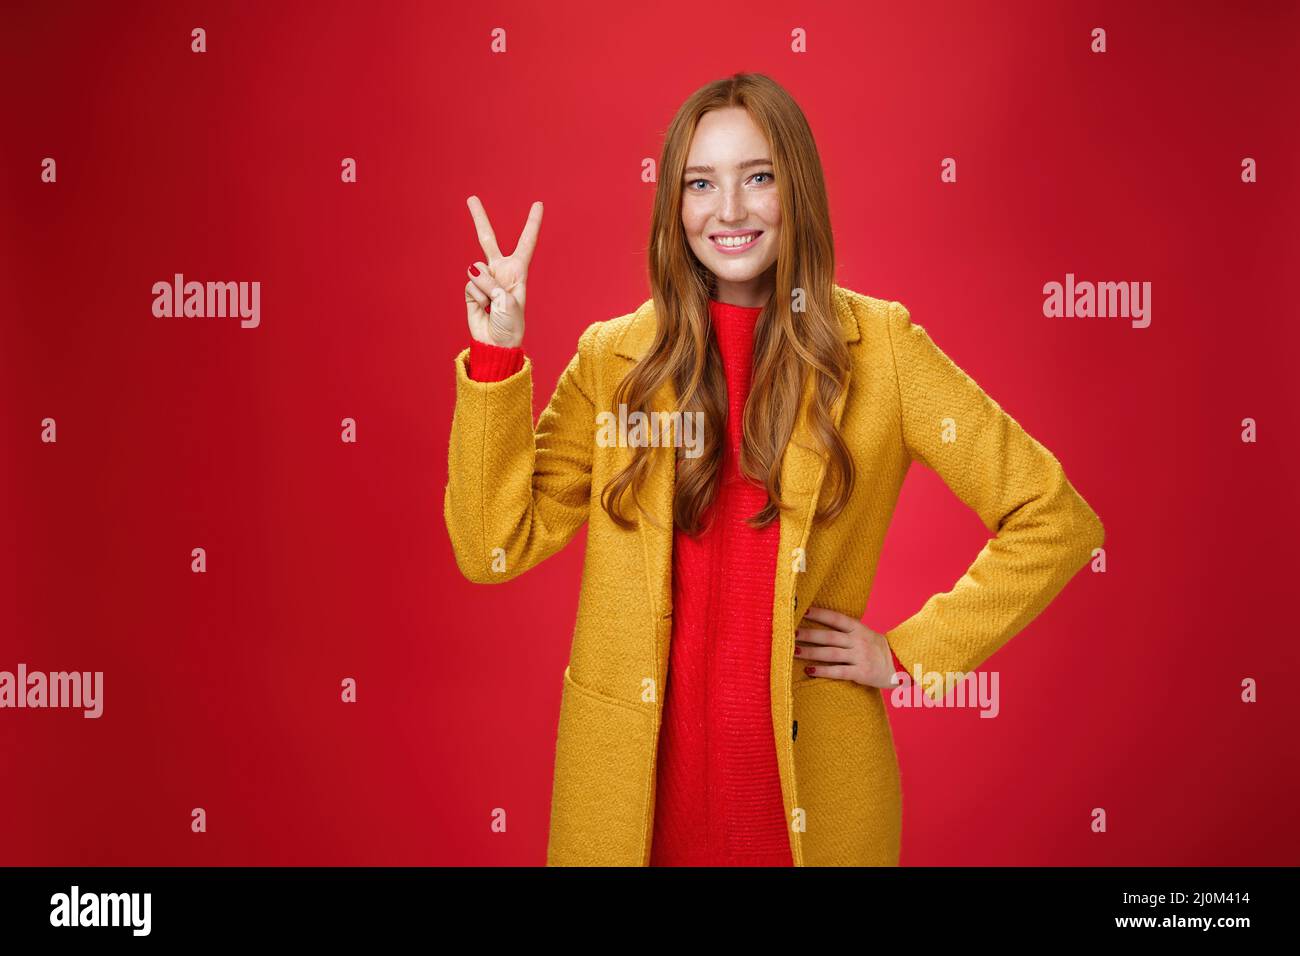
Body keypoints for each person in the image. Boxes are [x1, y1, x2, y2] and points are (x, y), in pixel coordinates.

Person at [446, 73, 1103, 867]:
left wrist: (910, 652)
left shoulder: (881, 350)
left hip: (814, 815)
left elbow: (1054, 518)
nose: (728, 210)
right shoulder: (612, 360)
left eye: (757, 177)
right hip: (630, 822)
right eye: (700, 184)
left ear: (797, 188)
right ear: (674, 206)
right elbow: (491, 544)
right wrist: (496, 353)